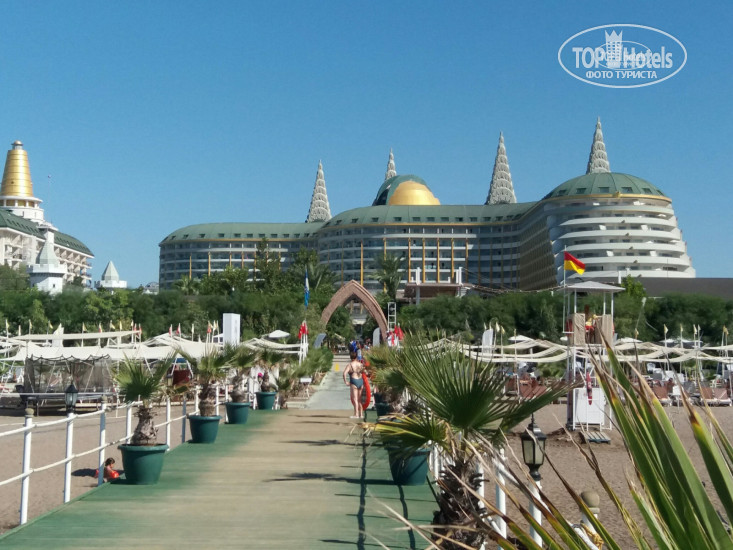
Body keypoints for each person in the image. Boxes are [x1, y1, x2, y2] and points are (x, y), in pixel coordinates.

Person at [343, 351, 364, 419]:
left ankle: (356, 414)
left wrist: (346, 381)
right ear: (356, 357)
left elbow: (344, 373)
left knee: (355, 399)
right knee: (360, 400)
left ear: (350, 357)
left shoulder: (349, 365)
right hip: (360, 381)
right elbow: (364, 372)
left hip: (354, 381)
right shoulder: (360, 364)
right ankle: (361, 414)